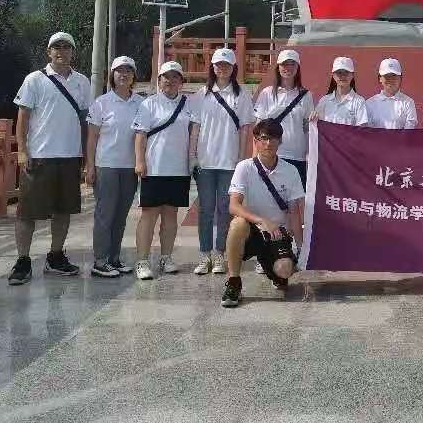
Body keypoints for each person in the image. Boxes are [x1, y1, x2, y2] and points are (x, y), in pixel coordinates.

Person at [8, 31, 91, 286]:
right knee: (27, 213)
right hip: (39, 156)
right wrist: (22, 150)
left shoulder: (82, 82)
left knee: (64, 211)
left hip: (70, 156)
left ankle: (55, 256)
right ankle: (23, 260)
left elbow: (85, 122)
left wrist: (87, 157)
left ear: (72, 52)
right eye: (57, 47)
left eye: (66, 47)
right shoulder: (34, 80)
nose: (61, 51)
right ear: (48, 52)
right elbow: (22, 118)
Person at [221, 119, 306, 308]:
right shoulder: (244, 167)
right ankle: (234, 282)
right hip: (252, 230)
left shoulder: (290, 170)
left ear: (280, 141)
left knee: (284, 271)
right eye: (264, 138)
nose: (268, 143)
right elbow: (234, 206)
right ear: (256, 141)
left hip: (277, 234)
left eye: (273, 138)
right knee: (237, 223)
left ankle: (274, 270)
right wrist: (262, 221)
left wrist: (301, 249)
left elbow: (294, 212)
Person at [188, 48, 256, 277]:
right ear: (212, 67)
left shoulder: (241, 95)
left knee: (224, 210)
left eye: (226, 65)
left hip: (230, 162)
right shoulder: (201, 94)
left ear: (233, 68)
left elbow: (245, 129)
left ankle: (220, 254)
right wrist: (192, 156)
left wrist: (241, 158)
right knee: (205, 210)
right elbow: (195, 127)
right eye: (218, 64)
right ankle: (204, 254)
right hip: (205, 162)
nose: (222, 68)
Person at [131, 60, 193, 281]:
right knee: (149, 215)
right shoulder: (149, 104)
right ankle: (142, 260)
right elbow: (140, 135)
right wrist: (140, 161)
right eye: (166, 77)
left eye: (175, 77)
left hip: (178, 169)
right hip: (154, 168)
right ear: (159, 80)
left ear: (181, 81)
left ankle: (166, 257)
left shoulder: (188, 104)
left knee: (171, 215)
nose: (170, 81)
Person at [85, 55, 143, 278]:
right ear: (112, 75)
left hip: (130, 167)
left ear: (133, 76)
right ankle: (100, 261)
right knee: (105, 214)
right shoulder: (101, 103)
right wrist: (90, 167)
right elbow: (92, 138)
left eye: (128, 71)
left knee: (120, 216)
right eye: (119, 71)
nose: (124, 75)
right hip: (106, 166)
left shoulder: (141, 103)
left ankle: (114, 258)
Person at [253, 49, 314, 188]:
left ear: (297, 67)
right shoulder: (267, 93)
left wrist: (309, 154)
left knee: (296, 197)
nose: (288, 68)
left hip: (296, 155)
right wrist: (255, 157)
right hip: (270, 153)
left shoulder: (306, 95)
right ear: (278, 67)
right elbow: (257, 129)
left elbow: (307, 128)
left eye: (292, 64)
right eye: (284, 64)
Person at [312, 56, 369, 126]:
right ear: (333, 75)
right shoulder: (324, 101)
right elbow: (317, 126)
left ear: (352, 75)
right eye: (339, 73)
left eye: (346, 72)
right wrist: (313, 119)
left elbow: (361, 130)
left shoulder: (359, 102)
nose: (343, 76)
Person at [365, 58, 419, 129]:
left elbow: (409, 131)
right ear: (380, 78)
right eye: (386, 76)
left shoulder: (408, 103)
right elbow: (368, 131)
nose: (390, 80)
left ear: (400, 78)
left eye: (394, 76)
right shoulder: (369, 103)